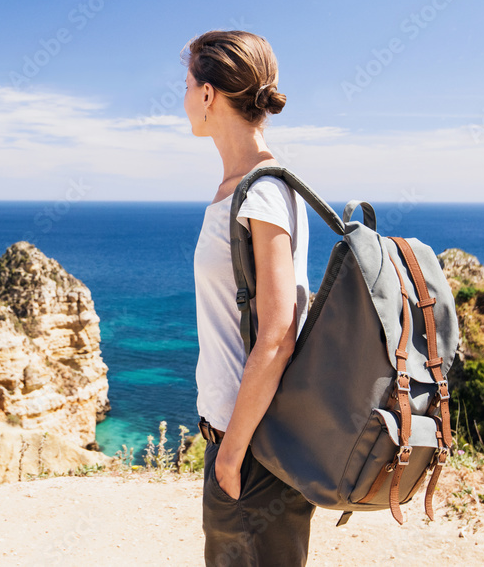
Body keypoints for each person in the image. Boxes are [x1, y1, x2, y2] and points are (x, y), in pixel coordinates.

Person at [183, 30, 315, 566]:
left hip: (255, 451)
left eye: (187, 84)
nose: (185, 97)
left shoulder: (262, 191)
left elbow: (279, 333)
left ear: (210, 94)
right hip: (245, 442)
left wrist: (231, 453)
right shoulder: (243, 188)